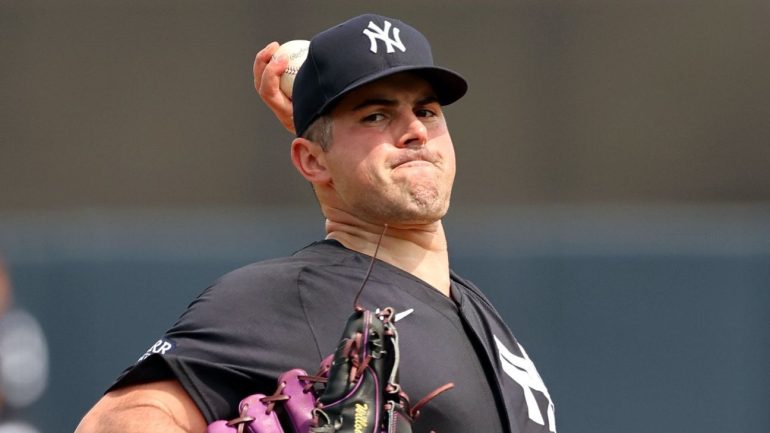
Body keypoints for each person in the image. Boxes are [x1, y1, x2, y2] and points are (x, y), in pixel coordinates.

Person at [75, 13, 556, 433]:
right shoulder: (291, 295)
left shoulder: (468, 303)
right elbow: (112, 423)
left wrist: (342, 146)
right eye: (374, 115)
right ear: (310, 161)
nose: (414, 131)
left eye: (426, 110)